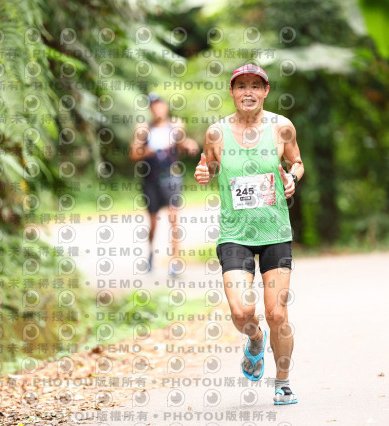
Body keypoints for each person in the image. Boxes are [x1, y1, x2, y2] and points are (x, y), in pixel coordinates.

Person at [194, 64, 305, 405]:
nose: (248, 92)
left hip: (275, 230)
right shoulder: (216, 133)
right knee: (242, 312)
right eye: (241, 86)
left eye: (256, 86)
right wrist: (204, 172)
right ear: (232, 91)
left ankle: (283, 383)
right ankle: (255, 338)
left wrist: (292, 177)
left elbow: (297, 162)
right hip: (235, 233)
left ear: (266, 91)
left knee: (277, 314)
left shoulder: (282, 128)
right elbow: (211, 167)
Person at [130, 92, 199, 275]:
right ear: (150, 109)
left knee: (174, 219)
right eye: (153, 106)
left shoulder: (174, 126)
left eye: (159, 105)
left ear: (166, 107)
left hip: (171, 177)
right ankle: (151, 254)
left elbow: (184, 144)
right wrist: (150, 149)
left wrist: (187, 142)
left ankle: (175, 261)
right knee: (153, 222)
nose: (157, 109)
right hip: (150, 179)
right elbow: (134, 154)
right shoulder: (144, 129)